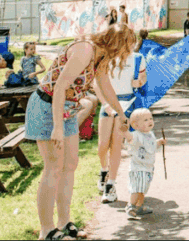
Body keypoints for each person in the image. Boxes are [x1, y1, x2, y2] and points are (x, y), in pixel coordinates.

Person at [25, 22, 135, 240]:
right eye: (127, 47)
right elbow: (59, 87)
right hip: (47, 106)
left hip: (67, 109)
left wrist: (121, 113)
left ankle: (64, 223)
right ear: (117, 43)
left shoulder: (101, 57)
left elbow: (105, 86)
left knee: (70, 165)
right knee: (53, 167)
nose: (127, 53)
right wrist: (57, 126)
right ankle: (46, 231)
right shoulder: (85, 50)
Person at [98, 30, 148, 204]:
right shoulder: (106, 58)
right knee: (102, 145)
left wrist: (140, 81)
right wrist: (105, 104)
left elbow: (143, 76)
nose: (127, 45)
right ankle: (104, 171)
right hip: (108, 103)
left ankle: (110, 185)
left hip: (127, 103)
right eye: (123, 41)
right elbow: (97, 84)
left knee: (116, 143)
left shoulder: (137, 58)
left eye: (130, 41)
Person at [123, 108, 166, 221]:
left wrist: (159, 142)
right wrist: (124, 131)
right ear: (135, 125)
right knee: (137, 188)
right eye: (145, 120)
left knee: (143, 189)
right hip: (138, 168)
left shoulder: (150, 134)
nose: (150, 121)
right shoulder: (136, 135)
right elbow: (130, 138)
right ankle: (130, 206)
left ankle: (139, 207)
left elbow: (150, 147)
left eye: (151, 118)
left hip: (147, 168)